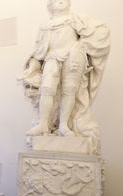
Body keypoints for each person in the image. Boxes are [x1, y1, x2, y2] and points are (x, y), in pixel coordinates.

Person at [20, 0, 110, 138]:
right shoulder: (45, 26)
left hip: (73, 56)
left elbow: (101, 30)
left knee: (70, 90)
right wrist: (32, 68)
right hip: (53, 56)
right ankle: (43, 124)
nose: (60, 1)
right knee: (47, 88)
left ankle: (64, 125)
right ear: (50, 6)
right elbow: (39, 51)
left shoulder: (77, 19)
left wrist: (81, 45)